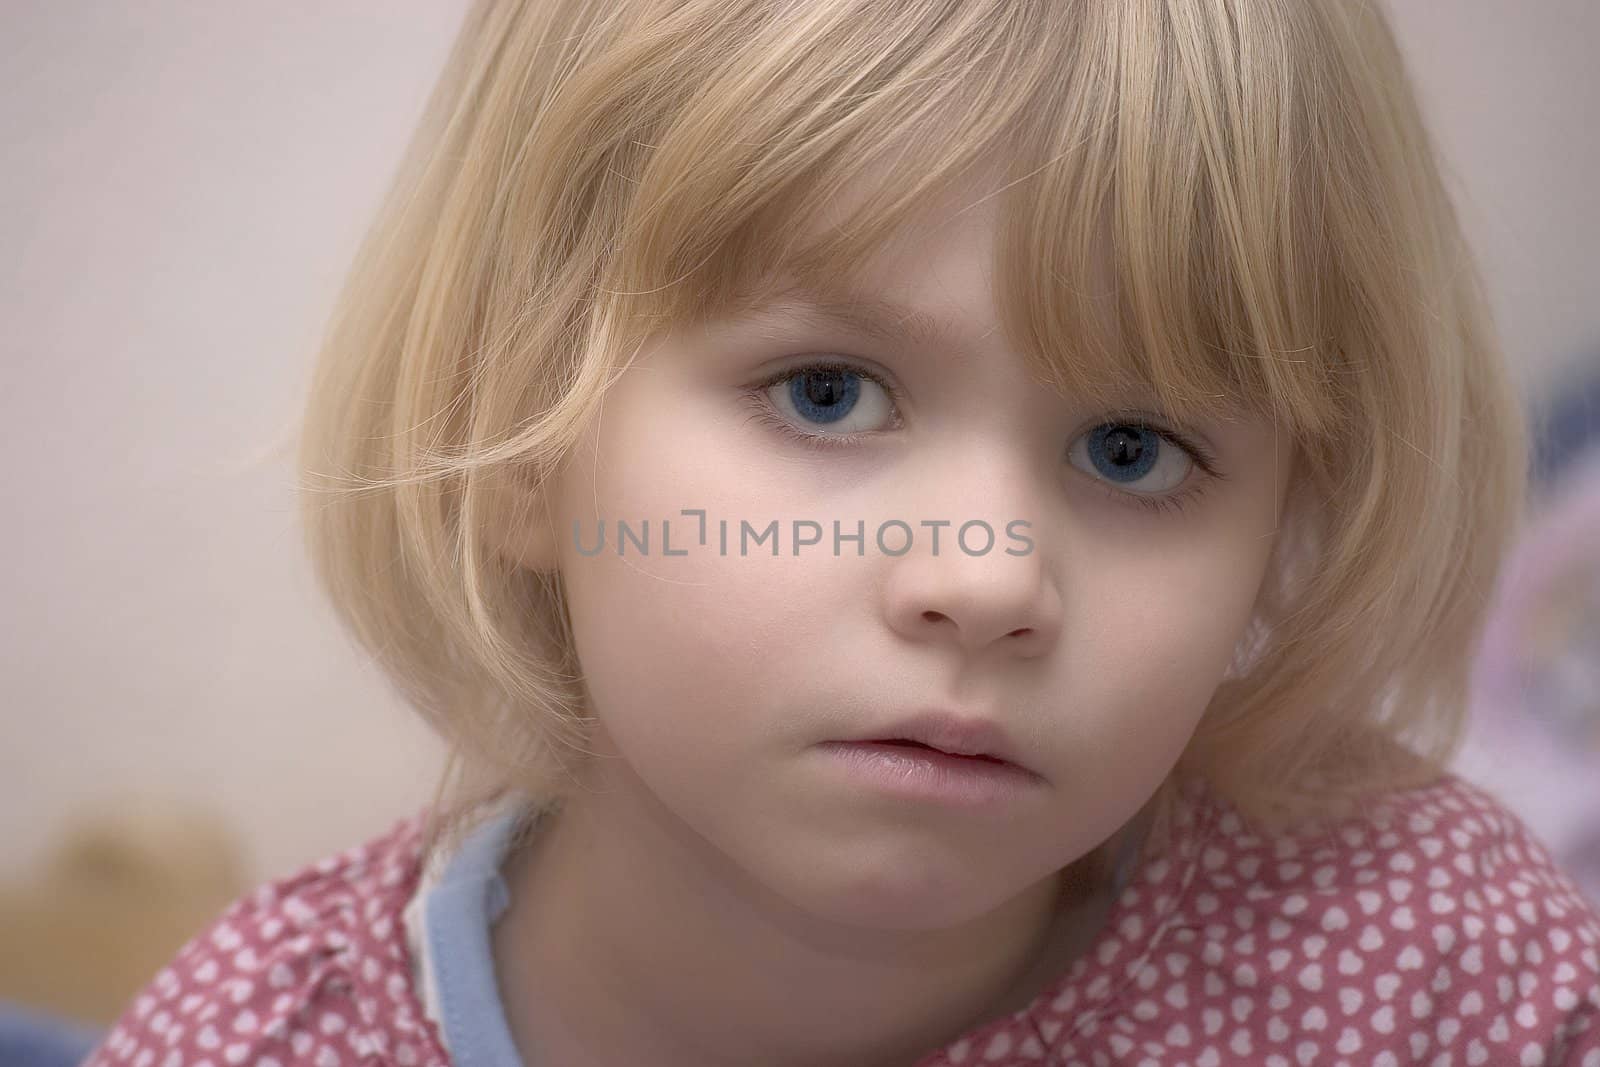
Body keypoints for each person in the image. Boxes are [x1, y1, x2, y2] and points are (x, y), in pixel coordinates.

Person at [83, 1, 1600, 1064]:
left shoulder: (1429, 969)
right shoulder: (255, 1044)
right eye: (826, 394)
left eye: (1133, 451)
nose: (988, 582)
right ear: (522, 425)